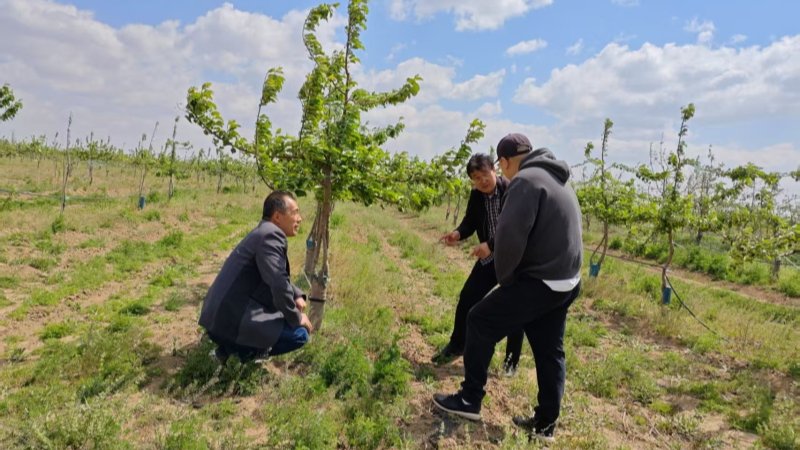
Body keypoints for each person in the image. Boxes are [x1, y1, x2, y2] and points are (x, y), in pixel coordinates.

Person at [432, 133, 583, 443]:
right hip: (567, 280)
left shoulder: (524, 182)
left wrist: (507, 281)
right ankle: (545, 426)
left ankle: (469, 399)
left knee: (480, 319)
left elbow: (511, 239)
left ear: (502, 163)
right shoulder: (558, 176)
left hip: (540, 280)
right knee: (549, 350)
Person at [433, 153, 524, 376]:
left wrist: (490, 245)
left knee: (516, 310)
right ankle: (457, 345)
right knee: (467, 298)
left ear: (494, 170)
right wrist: (457, 233)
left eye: (484, 174)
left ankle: (511, 363)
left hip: (515, 260)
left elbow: (515, 228)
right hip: (491, 259)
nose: (482, 180)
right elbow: (470, 221)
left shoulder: (512, 190)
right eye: (476, 177)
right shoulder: (477, 196)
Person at [199, 190, 314, 363]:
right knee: (299, 334)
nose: (299, 218)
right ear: (277, 217)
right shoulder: (271, 236)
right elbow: (277, 283)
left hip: (217, 317)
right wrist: (297, 317)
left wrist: (295, 293)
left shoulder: (263, 232)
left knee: (280, 314)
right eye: (295, 212)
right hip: (229, 320)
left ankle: (227, 350)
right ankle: (244, 353)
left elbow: (274, 276)